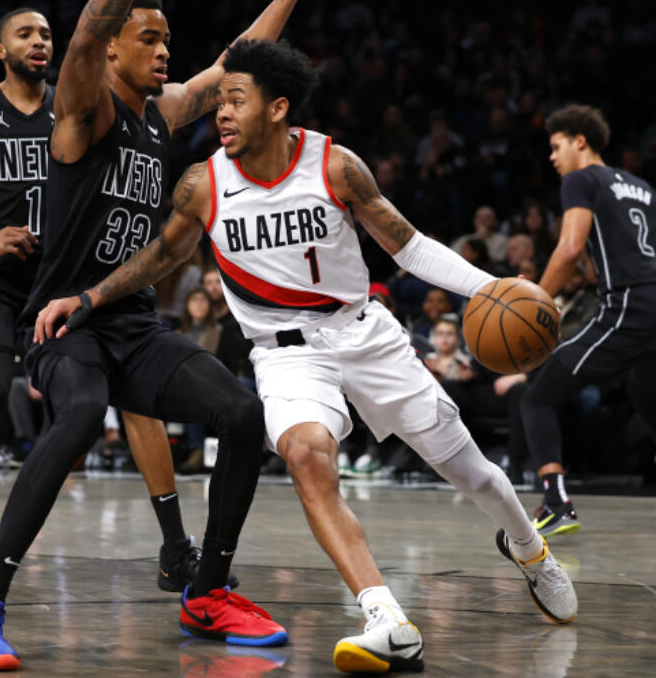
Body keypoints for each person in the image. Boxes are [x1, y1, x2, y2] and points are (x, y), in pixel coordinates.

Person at [39, 39, 576, 674]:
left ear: (278, 107)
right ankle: (385, 617)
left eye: (236, 99)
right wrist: (91, 295)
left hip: (364, 335)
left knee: (471, 472)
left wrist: (486, 288)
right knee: (304, 455)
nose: (223, 112)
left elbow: (409, 247)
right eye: (219, 101)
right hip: (285, 355)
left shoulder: (335, 165)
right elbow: (163, 256)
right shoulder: (205, 183)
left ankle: (529, 548)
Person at [0, 0, 305, 669]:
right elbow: (80, 35)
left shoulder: (162, 117)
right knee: (76, 419)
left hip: (132, 324)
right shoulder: (83, 111)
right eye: (149, 39)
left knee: (242, 415)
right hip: (64, 322)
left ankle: (205, 590)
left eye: (168, 39)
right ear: (111, 51)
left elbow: (239, 61)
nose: (166, 50)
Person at [0, 1, 202, 602]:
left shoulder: (79, 103)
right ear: (1, 51)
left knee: (136, 395)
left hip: (55, 279)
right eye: (24, 34)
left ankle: (174, 549)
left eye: (47, 34)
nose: (40, 42)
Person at [520, 104, 656, 536]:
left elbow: (571, 248)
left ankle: (556, 502)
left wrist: (532, 298)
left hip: (630, 303)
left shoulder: (580, 180)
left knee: (538, 397)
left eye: (556, 147)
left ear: (580, 141)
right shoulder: (641, 186)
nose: (552, 158)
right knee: (648, 400)